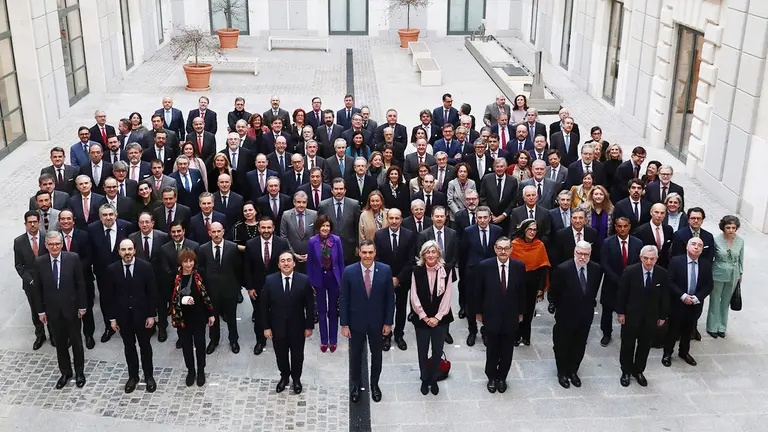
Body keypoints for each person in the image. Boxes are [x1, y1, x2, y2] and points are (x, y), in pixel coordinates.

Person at [340, 240, 395, 403]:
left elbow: (390, 299)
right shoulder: (349, 271)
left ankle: (375, 385)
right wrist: (344, 323)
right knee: (355, 356)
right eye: (364, 252)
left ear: (375, 253)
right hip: (356, 323)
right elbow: (343, 298)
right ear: (359, 253)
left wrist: (388, 322)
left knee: (377, 355)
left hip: (377, 323)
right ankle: (356, 386)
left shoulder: (385, 270)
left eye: (370, 252)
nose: (367, 256)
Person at [33, 231, 87, 389]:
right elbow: (37, 289)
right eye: (51, 244)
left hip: (72, 309)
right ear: (46, 245)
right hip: (53, 311)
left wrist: (82, 306)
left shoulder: (73, 258)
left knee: (76, 342)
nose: (54, 247)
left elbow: (80, 284)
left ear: (62, 244)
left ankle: (80, 373)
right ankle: (65, 372)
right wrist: (41, 311)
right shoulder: (40, 262)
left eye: (57, 244)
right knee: (60, 343)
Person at [104, 239, 158, 393]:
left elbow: (152, 293)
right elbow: (109, 296)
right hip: (123, 318)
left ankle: (149, 376)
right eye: (123, 249)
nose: (127, 252)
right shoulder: (112, 269)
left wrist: (151, 315)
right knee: (129, 348)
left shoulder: (145, 267)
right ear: (119, 252)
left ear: (135, 250)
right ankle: (133, 376)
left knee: (145, 347)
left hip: (142, 316)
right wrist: (112, 319)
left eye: (129, 249)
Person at [549, 241, 603, 389]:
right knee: (562, 344)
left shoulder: (596, 268)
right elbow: (554, 292)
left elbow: (593, 290)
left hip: (585, 315)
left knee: (579, 345)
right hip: (566, 314)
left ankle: (573, 371)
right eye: (580, 253)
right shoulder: (563, 269)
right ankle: (562, 372)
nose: (582, 257)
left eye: (586, 254)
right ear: (574, 252)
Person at [475, 237, 526, 393]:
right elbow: (478, 291)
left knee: (507, 351)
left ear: (511, 249)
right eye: (500, 248)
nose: (503, 251)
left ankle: (502, 377)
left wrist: (521, 312)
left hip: (511, 316)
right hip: (491, 315)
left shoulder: (519, 266)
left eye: (506, 248)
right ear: (495, 249)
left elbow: (522, 291)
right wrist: (478, 312)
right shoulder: (485, 266)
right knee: (492, 350)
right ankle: (491, 377)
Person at [261, 251, 315, 394]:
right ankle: (284, 377)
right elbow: (264, 306)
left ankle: (296, 379)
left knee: (297, 356)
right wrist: (266, 327)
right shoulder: (270, 280)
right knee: (281, 355)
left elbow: (310, 305)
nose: (286, 263)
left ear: (294, 263)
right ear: (278, 265)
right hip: (277, 327)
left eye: (289, 260)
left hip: (297, 327)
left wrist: (309, 326)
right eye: (283, 261)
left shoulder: (304, 280)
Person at [616, 245, 670, 387]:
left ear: (657, 259)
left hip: (651, 317)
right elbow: (622, 294)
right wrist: (620, 312)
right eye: (646, 258)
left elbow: (665, 297)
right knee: (628, 344)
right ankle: (626, 371)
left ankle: (638, 370)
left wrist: (663, 316)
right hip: (631, 316)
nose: (649, 262)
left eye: (652, 259)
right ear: (641, 258)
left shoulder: (662, 274)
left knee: (645, 345)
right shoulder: (630, 272)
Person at [410, 240, 453, 396]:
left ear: (438, 254)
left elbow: (448, 295)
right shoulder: (416, 270)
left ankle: (434, 379)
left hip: (440, 320)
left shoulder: (446, 270)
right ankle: (424, 378)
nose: (430, 255)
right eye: (427, 252)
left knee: (437, 350)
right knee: (422, 351)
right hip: (422, 319)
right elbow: (413, 296)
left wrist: (438, 317)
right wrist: (423, 316)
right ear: (423, 255)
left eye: (433, 252)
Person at [663, 237, 713, 368]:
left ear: (702, 250)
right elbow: (670, 281)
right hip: (678, 303)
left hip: (695, 304)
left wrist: (697, 298)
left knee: (688, 330)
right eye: (694, 244)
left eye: (700, 245)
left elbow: (708, 285)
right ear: (687, 247)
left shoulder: (706, 264)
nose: (696, 247)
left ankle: (684, 352)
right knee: (673, 330)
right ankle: (667, 353)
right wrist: (683, 296)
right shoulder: (676, 261)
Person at [244, 217, 290, 355]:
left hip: (277, 286)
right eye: (263, 228)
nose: (266, 230)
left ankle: (279, 339)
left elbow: (286, 265)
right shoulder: (250, 244)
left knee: (279, 314)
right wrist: (250, 288)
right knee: (259, 315)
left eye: (268, 228)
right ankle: (260, 341)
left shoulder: (282, 243)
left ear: (273, 228)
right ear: (259, 228)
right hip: (258, 288)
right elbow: (247, 268)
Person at [171, 248, 215, 387]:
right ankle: (191, 370)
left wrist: (211, 313)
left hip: (198, 317)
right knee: (186, 346)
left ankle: (201, 370)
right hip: (182, 318)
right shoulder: (175, 277)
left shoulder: (199, 275)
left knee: (200, 345)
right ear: (181, 263)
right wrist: (181, 301)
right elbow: (169, 295)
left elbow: (207, 294)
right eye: (185, 261)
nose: (188, 264)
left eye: (190, 261)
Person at [373, 208, 416, 351]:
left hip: (402, 279)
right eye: (391, 218)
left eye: (397, 218)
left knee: (401, 307)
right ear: (387, 218)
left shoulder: (409, 235)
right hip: (384, 279)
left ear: (401, 219)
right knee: (385, 307)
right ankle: (386, 335)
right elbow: (377, 258)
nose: (394, 221)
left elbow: (410, 260)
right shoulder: (379, 235)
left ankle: (399, 334)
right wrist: (388, 278)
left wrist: (398, 278)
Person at [196, 222, 242, 354]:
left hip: (230, 289)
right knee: (212, 317)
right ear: (209, 233)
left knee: (231, 317)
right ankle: (214, 340)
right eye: (213, 232)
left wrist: (236, 286)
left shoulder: (232, 247)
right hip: (212, 290)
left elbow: (238, 268)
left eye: (218, 231)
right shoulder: (203, 248)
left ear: (223, 232)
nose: (216, 234)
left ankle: (233, 340)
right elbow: (201, 268)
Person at [459, 206, 501, 346]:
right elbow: (463, 254)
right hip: (473, 273)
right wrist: (464, 275)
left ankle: (486, 330)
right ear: (476, 218)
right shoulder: (468, 231)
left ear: (490, 217)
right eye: (479, 217)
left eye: (485, 217)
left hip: (491, 273)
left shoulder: (497, 231)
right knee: (471, 303)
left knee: (489, 303)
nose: (482, 220)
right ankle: (472, 331)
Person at [599, 217, 643, 346]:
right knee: (607, 311)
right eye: (619, 226)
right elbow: (605, 264)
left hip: (631, 285)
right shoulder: (608, 242)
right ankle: (606, 334)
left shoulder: (638, 243)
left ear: (629, 226)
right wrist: (619, 280)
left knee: (629, 310)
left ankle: (627, 334)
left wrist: (628, 281)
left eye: (625, 226)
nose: (622, 229)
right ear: (615, 227)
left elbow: (638, 263)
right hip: (612, 284)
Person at [307, 215, 345, 352]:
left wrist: (342, 280)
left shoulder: (336, 240)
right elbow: (310, 263)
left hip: (333, 277)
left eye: (327, 226)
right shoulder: (312, 241)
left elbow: (340, 262)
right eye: (323, 226)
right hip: (319, 278)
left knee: (333, 310)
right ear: (318, 227)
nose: (325, 228)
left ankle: (333, 340)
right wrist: (311, 281)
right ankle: (324, 340)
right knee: (322, 310)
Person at [510, 219, 551, 347]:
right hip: (517, 283)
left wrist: (540, 288)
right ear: (524, 229)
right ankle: (515, 336)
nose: (532, 232)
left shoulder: (540, 245)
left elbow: (543, 267)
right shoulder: (514, 244)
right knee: (516, 310)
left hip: (532, 282)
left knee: (529, 310)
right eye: (530, 229)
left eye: (534, 230)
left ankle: (526, 336)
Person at [159, 221, 200, 348]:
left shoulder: (194, 245)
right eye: (173, 232)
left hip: (191, 284)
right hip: (174, 286)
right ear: (170, 233)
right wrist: (181, 274)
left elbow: (197, 266)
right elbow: (166, 270)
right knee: (178, 312)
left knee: (193, 311)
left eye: (179, 231)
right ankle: (182, 337)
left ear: (183, 231)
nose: (176, 234)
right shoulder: (164, 249)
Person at [14, 211, 51, 349]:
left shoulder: (47, 238)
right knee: (35, 310)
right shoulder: (19, 242)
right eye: (30, 222)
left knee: (50, 307)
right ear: (25, 224)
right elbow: (19, 265)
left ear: (39, 222)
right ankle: (40, 335)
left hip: (47, 281)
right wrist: (29, 280)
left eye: (35, 221)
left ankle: (53, 333)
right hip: (30, 283)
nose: (33, 224)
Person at [706, 215, 744, 338]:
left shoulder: (740, 241)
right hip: (718, 272)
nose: (731, 230)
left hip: (733, 274)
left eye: (733, 227)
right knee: (715, 300)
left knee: (726, 301)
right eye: (728, 227)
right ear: (723, 228)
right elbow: (711, 257)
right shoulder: (716, 239)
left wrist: (740, 274)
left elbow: (741, 259)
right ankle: (712, 326)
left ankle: (722, 326)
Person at [317, 178, 361, 265]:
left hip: (349, 248)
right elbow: (319, 227)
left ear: (345, 190)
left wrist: (357, 245)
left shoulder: (354, 205)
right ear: (332, 190)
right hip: (328, 248)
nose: (339, 191)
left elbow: (357, 227)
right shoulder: (323, 205)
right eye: (336, 189)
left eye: (341, 189)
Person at [279, 191, 316, 275]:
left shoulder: (314, 215)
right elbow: (283, 237)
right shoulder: (286, 215)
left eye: (304, 202)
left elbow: (316, 236)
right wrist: (293, 254)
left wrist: (310, 253)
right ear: (294, 202)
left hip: (310, 257)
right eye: (299, 202)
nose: (301, 205)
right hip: (292, 257)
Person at [582, 185, 614, 259]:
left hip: (606, 246)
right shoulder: (584, 209)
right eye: (596, 194)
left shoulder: (611, 210)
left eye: (601, 194)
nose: (598, 196)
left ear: (605, 196)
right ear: (592, 196)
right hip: (588, 246)